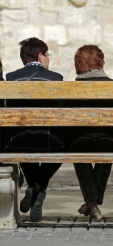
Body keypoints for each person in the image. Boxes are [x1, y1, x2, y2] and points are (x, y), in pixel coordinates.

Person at [3, 37, 64, 222]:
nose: (49, 59)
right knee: (61, 148)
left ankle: (33, 187)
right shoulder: (56, 79)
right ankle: (38, 187)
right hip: (48, 139)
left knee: (23, 146)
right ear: (40, 55)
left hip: (19, 139)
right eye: (48, 55)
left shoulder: (11, 78)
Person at [64, 45, 113, 220]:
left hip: (78, 141)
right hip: (110, 141)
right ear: (101, 62)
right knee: (108, 148)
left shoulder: (68, 90)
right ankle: (93, 203)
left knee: (78, 151)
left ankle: (91, 203)